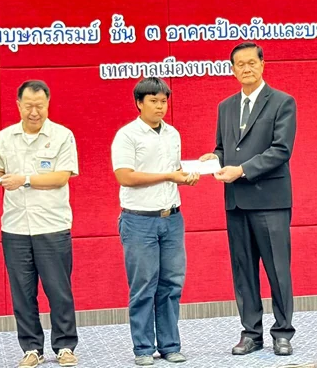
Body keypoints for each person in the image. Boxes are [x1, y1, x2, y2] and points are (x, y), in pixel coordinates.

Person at [199, 42, 297, 356]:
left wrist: (241, 170)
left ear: (262, 64)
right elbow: (223, 148)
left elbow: (281, 150)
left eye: (251, 62)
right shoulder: (225, 107)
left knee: (277, 270)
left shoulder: (282, 102)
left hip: (270, 201)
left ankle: (283, 332)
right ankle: (251, 333)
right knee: (243, 272)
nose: (246, 68)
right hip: (236, 202)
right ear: (232, 69)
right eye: (239, 64)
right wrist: (213, 159)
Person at [0, 80, 79, 367]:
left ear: (48, 104)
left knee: (58, 290)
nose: (34, 112)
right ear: (18, 105)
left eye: (40, 105)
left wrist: (23, 179)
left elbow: (61, 177)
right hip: (14, 227)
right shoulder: (5, 137)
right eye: (28, 106)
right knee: (22, 293)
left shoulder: (62, 135)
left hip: (52, 225)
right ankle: (31, 348)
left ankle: (65, 346)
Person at [111, 77, 199, 366]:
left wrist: (188, 176)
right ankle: (143, 349)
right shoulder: (127, 135)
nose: (160, 107)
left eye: (163, 101)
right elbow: (125, 176)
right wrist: (169, 176)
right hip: (139, 221)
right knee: (143, 286)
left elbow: (174, 171)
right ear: (139, 103)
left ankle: (170, 346)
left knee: (171, 285)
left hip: (171, 218)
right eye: (153, 101)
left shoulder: (172, 134)